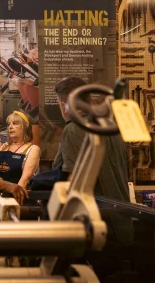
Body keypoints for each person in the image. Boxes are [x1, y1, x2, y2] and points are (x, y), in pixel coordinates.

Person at [53, 76, 134, 279]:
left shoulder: (73, 129)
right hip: (122, 227)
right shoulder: (111, 128)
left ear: (64, 105)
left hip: (95, 229)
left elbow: (73, 185)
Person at [0, 111, 40, 189]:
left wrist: (14, 197)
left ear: (25, 127)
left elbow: (24, 179)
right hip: (1, 193)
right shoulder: (4, 146)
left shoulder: (33, 149)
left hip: (18, 194)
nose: (10, 127)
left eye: (15, 123)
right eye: (9, 124)